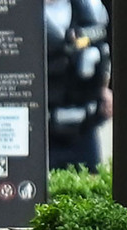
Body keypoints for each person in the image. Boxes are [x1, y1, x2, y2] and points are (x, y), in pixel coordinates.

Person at [45, 0, 112, 171]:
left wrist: (107, 89)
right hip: (39, 133)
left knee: (89, 191)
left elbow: (110, 48)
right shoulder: (16, 14)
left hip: (83, 130)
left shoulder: (91, 8)